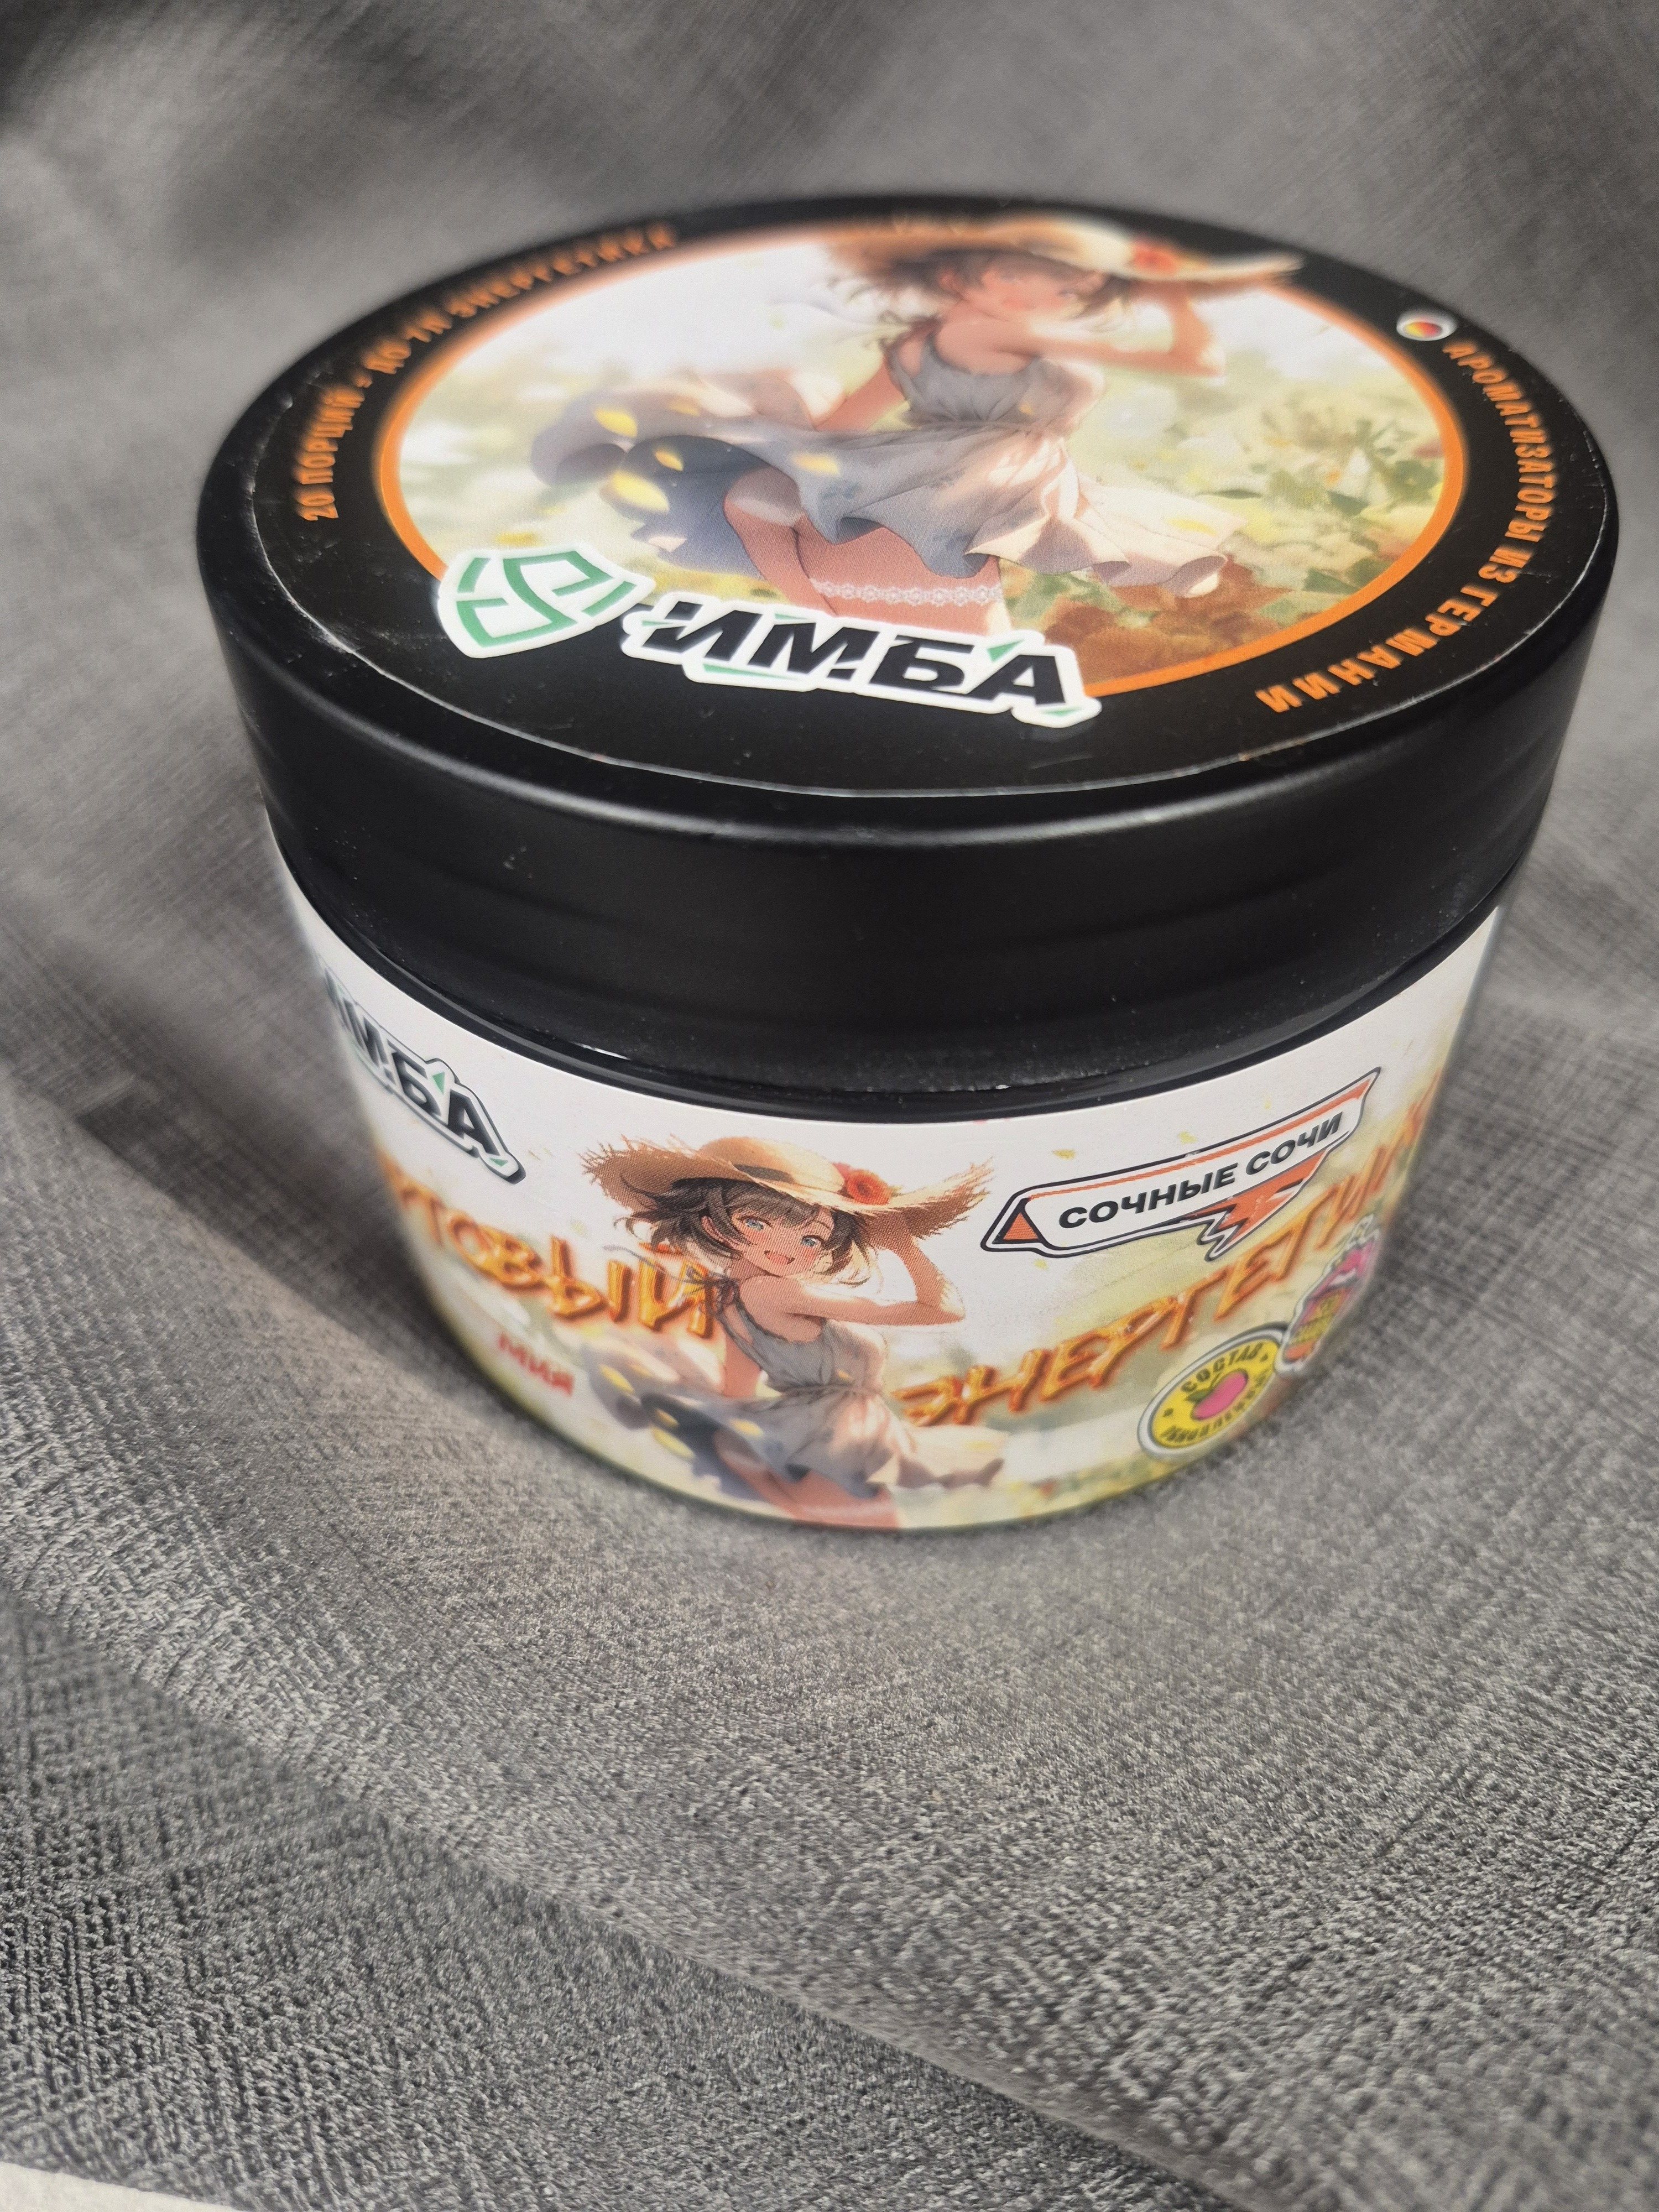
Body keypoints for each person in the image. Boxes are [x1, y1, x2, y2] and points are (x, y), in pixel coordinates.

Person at [531, 213, 1300, 637]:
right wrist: (1175, 295)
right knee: (1020, 585)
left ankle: (798, 572)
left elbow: (842, 424)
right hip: (980, 478)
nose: (1055, 303)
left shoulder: (912, 346)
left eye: (1074, 293)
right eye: (1043, 283)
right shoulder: (1012, 333)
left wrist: (780, 436)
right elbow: (1197, 362)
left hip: (946, 469)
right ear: (979, 276)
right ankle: (799, 567)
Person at [580, 1134, 1002, 1526]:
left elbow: (737, 1388)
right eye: (757, 1223)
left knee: (840, 1523)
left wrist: (727, 1433)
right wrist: (905, 1248)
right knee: (867, 1528)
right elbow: (942, 1310)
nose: (787, 1248)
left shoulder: (726, 1298)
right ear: (713, 1225)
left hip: (820, 1430)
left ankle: (751, 1478)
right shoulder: (773, 1291)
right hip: (834, 1434)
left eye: (811, 1240)